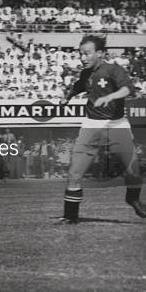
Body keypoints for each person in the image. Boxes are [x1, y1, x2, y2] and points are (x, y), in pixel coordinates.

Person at [58, 35, 146, 224]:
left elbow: (127, 89)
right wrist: (67, 97)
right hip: (91, 125)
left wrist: (110, 97)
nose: (83, 58)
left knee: (134, 171)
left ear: (99, 53)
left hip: (116, 124)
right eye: (81, 54)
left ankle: (133, 198)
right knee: (74, 173)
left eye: (87, 53)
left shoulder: (114, 69)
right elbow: (78, 87)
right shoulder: (85, 73)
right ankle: (70, 216)